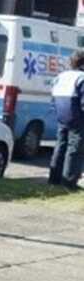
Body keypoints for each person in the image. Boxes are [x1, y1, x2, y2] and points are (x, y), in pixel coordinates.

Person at [49, 51, 84, 189]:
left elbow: (52, 97)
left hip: (61, 115)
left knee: (60, 146)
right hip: (77, 116)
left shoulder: (60, 77)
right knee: (75, 149)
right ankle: (69, 181)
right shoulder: (81, 78)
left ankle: (54, 178)